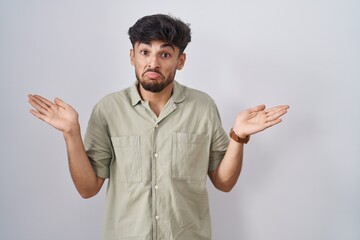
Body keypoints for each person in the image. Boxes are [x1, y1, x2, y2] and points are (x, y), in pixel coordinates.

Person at [28, 14, 289, 240]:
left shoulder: (203, 106)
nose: (153, 63)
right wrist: (71, 132)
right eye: (145, 52)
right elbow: (88, 189)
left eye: (165, 54)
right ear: (132, 56)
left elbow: (223, 182)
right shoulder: (108, 109)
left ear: (181, 61)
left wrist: (238, 136)